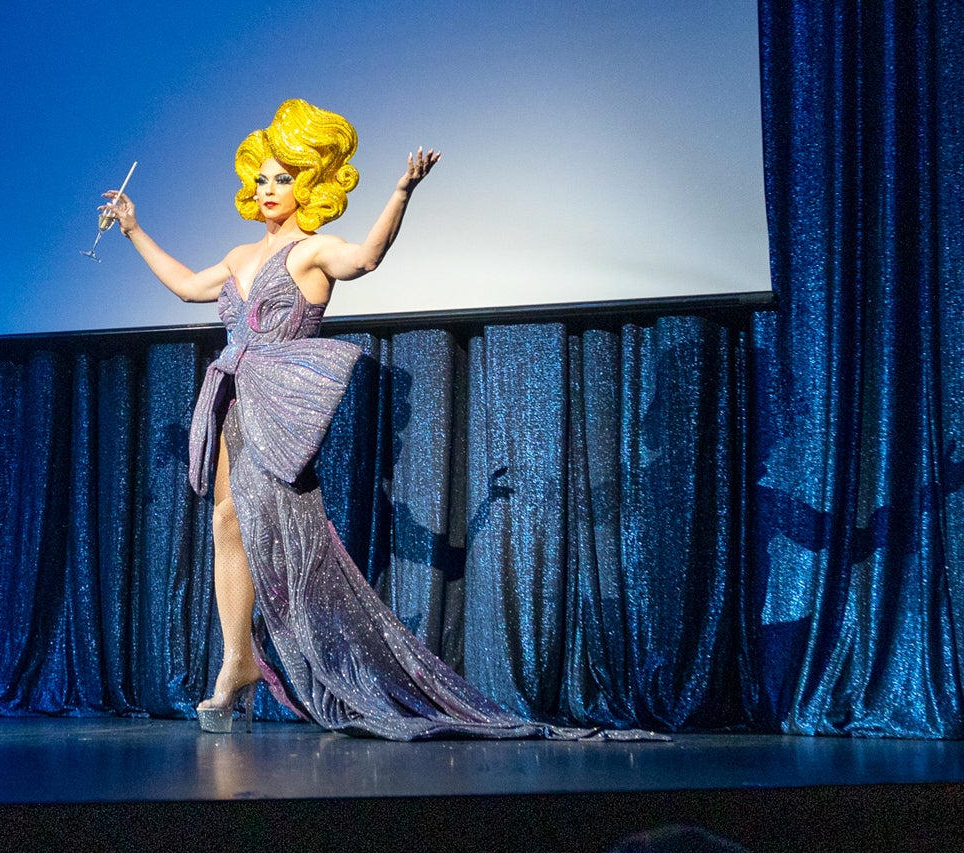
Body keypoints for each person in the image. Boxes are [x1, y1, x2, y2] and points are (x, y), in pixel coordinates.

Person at [100, 99, 659, 741]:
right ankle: (238, 661)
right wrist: (134, 229)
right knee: (227, 521)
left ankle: (280, 665)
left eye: (283, 178)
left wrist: (400, 193)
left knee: (278, 534)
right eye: (262, 179)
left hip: (280, 402)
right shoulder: (237, 255)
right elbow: (188, 288)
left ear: (309, 182)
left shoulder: (313, 252)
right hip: (231, 394)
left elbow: (366, 258)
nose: (268, 190)